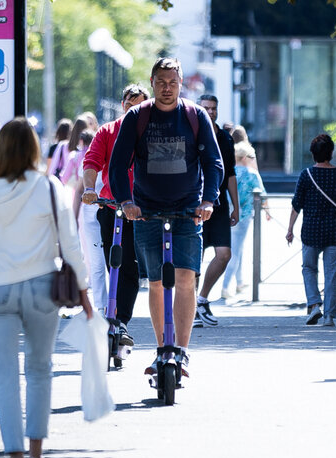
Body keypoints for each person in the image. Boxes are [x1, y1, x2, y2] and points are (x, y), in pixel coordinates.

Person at [0, 117, 92, 458]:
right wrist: (83, 289)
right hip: (40, 286)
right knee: (39, 369)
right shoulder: (49, 188)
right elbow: (70, 244)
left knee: (4, 375)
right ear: (35, 149)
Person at [108, 57, 223, 378]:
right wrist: (126, 201)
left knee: (186, 279)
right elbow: (117, 165)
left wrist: (209, 201)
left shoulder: (194, 116)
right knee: (157, 282)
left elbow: (213, 162)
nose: (167, 88)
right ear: (152, 82)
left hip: (189, 211)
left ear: (181, 82)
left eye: (173, 82)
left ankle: (181, 352)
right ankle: (162, 349)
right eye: (161, 82)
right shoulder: (137, 117)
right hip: (146, 212)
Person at [82, 84, 149, 344]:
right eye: (131, 106)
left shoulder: (150, 132)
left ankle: (120, 322)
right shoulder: (108, 131)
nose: (136, 111)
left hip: (143, 210)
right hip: (113, 207)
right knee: (115, 265)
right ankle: (111, 315)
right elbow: (92, 163)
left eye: (141, 107)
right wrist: (89, 188)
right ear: (123, 105)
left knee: (131, 267)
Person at [286, 134, 336, 327]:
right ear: (331, 153)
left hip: (311, 231)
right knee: (332, 274)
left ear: (313, 154)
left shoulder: (306, 175)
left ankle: (314, 304)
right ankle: (329, 316)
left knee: (308, 269)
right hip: (335, 232)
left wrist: (290, 229)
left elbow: (296, 205)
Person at [194, 94, 239, 326]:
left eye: (213, 108)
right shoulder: (190, 133)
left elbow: (230, 172)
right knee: (194, 259)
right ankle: (190, 306)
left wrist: (236, 207)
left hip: (219, 206)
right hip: (194, 204)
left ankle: (201, 299)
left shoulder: (224, 138)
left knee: (224, 255)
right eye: (205, 108)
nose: (210, 112)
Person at [60, 128, 107, 314]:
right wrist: (73, 217)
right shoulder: (89, 161)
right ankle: (101, 306)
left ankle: (115, 306)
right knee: (95, 262)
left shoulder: (118, 158)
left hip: (113, 216)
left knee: (115, 262)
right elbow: (79, 190)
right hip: (91, 217)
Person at [221, 141, 269, 299]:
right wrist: (268, 211)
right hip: (245, 216)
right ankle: (226, 286)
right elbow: (262, 195)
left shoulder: (231, 172)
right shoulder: (252, 173)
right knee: (235, 251)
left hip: (229, 215)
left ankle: (239, 282)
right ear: (244, 157)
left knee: (236, 248)